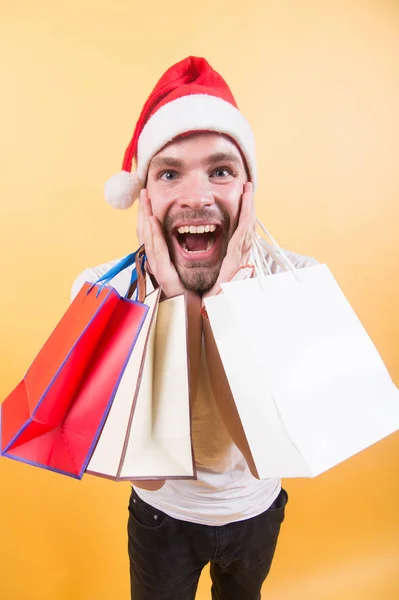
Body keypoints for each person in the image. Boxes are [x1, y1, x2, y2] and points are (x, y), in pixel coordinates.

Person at [72, 56, 317, 600]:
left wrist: (226, 299)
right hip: (163, 521)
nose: (197, 196)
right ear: (143, 195)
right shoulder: (103, 296)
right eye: (168, 173)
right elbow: (151, 470)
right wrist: (178, 303)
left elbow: (263, 452)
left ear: (248, 190)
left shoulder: (297, 285)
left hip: (256, 514)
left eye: (222, 170)